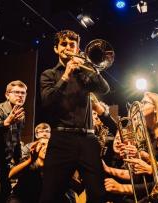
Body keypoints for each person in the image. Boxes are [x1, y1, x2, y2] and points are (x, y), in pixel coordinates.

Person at [40, 29, 110, 203]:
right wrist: (65, 75)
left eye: (72, 44)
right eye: (64, 44)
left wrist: (91, 68)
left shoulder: (84, 74)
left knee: (98, 194)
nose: (68, 47)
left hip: (88, 138)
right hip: (61, 139)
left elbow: (104, 89)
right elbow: (47, 102)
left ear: (78, 48)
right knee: (50, 195)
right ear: (56, 48)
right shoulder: (49, 74)